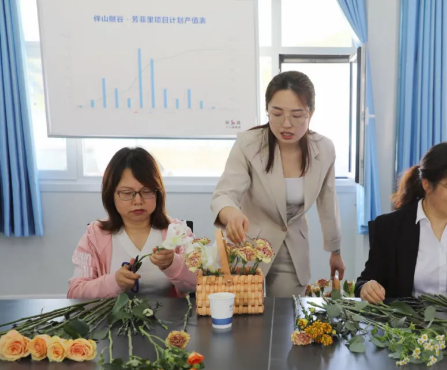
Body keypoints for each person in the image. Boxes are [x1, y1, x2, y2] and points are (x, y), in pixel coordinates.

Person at [211, 71, 344, 297]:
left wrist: (335, 251)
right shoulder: (249, 144)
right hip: (248, 245)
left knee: (287, 315)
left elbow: (327, 202)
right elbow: (224, 194)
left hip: (293, 249)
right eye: (277, 113)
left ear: (311, 113)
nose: (286, 124)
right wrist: (232, 214)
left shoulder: (324, 149)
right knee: (244, 314)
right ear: (267, 110)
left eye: (297, 115)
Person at [355, 142, 447, 304]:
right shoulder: (391, 227)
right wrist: (367, 287)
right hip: (409, 318)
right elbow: (364, 281)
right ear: (427, 185)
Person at [68, 148, 196, 299]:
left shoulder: (178, 232)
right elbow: (75, 293)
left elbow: (199, 282)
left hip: (169, 314)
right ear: (111, 195)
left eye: (146, 191)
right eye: (127, 193)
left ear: (158, 193)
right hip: (113, 315)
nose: (138, 201)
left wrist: (172, 263)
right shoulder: (94, 236)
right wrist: (114, 282)